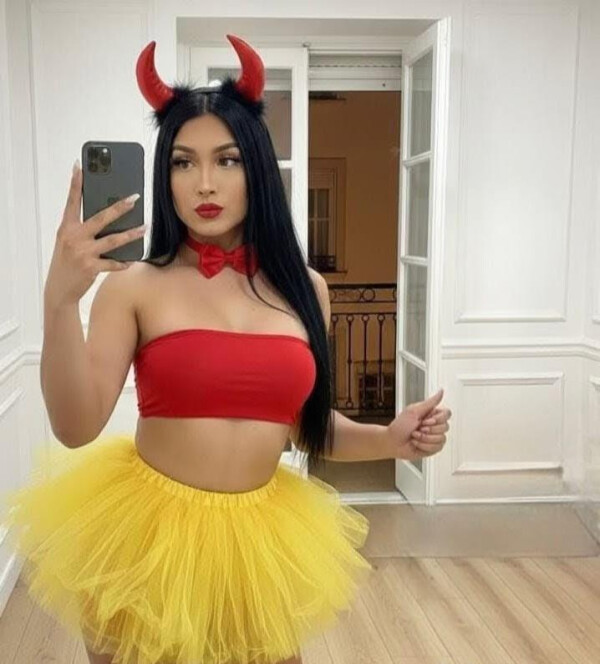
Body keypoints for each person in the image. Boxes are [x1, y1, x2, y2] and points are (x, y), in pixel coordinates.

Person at [1, 34, 449, 664]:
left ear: (256, 169)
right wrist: (59, 301)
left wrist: (391, 439)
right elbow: (75, 428)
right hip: (149, 540)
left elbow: (304, 428)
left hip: (258, 542)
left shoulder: (307, 290)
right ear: (164, 175)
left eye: (227, 160)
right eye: (183, 163)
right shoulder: (133, 286)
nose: (204, 184)